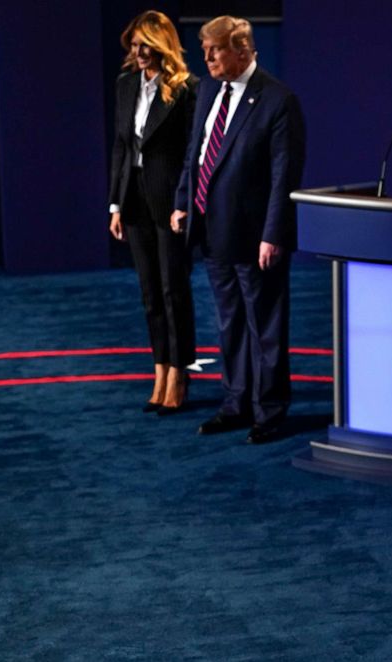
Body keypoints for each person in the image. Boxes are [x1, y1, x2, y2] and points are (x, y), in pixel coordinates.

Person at [171, 15, 305, 444]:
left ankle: (269, 410)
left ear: (242, 50)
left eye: (216, 49)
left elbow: (285, 175)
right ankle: (235, 402)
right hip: (211, 230)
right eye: (205, 48)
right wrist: (181, 203)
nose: (206, 57)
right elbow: (195, 154)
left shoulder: (277, 99)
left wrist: (275, 233)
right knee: (229, 322)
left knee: (264, 325)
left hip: (254, 236)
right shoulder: (208, 89)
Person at [109, 10, 197, 415]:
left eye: (146, 44)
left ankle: (179, 372)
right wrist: (115, 204)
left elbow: (192, 157)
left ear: (162, 46)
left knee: (172, 289)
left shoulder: (186, 89)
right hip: (134, 201)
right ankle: (159, 368)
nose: (139, 51)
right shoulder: (125, 84)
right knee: (149, 293)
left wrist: (184, 203)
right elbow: (122, 148)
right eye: (134, 44)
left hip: (169, 202)